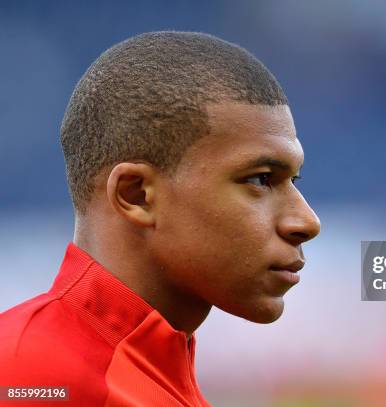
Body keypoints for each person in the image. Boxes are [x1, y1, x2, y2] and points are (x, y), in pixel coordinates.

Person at [0, 31, 320, 406]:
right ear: (136, 195)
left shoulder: (146, 377)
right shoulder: (30, 376)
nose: (306, 221)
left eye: (292, 181)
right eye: (259, 179)